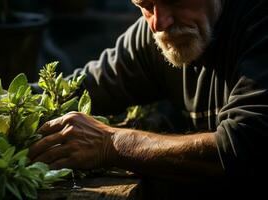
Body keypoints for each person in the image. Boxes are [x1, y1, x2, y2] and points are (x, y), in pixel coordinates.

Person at [28, 0, 268, 199]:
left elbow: (243, 147)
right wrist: (3, 102)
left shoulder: (258, 24)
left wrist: (111, 144)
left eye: (174, 1)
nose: (159, 23)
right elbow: (87, 87)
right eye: (146, 5)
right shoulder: (155, 36)